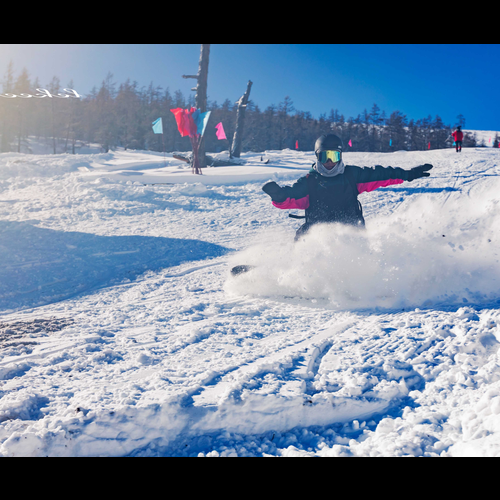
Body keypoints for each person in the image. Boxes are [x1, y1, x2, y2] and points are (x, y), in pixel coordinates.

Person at [262, 134, 433, 241]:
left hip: (350, 229)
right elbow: (292, 197)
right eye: (324, 156)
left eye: (334, 156)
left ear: (340, 156)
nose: (330, 162)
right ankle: (295, 272)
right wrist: (279, 195)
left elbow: (381, 175)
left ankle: (364, 274)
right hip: (318, 232)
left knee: (353, 239)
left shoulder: (351, 175)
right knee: (302, 234)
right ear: (317, 157)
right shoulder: (309, 181)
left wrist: (407, 174)